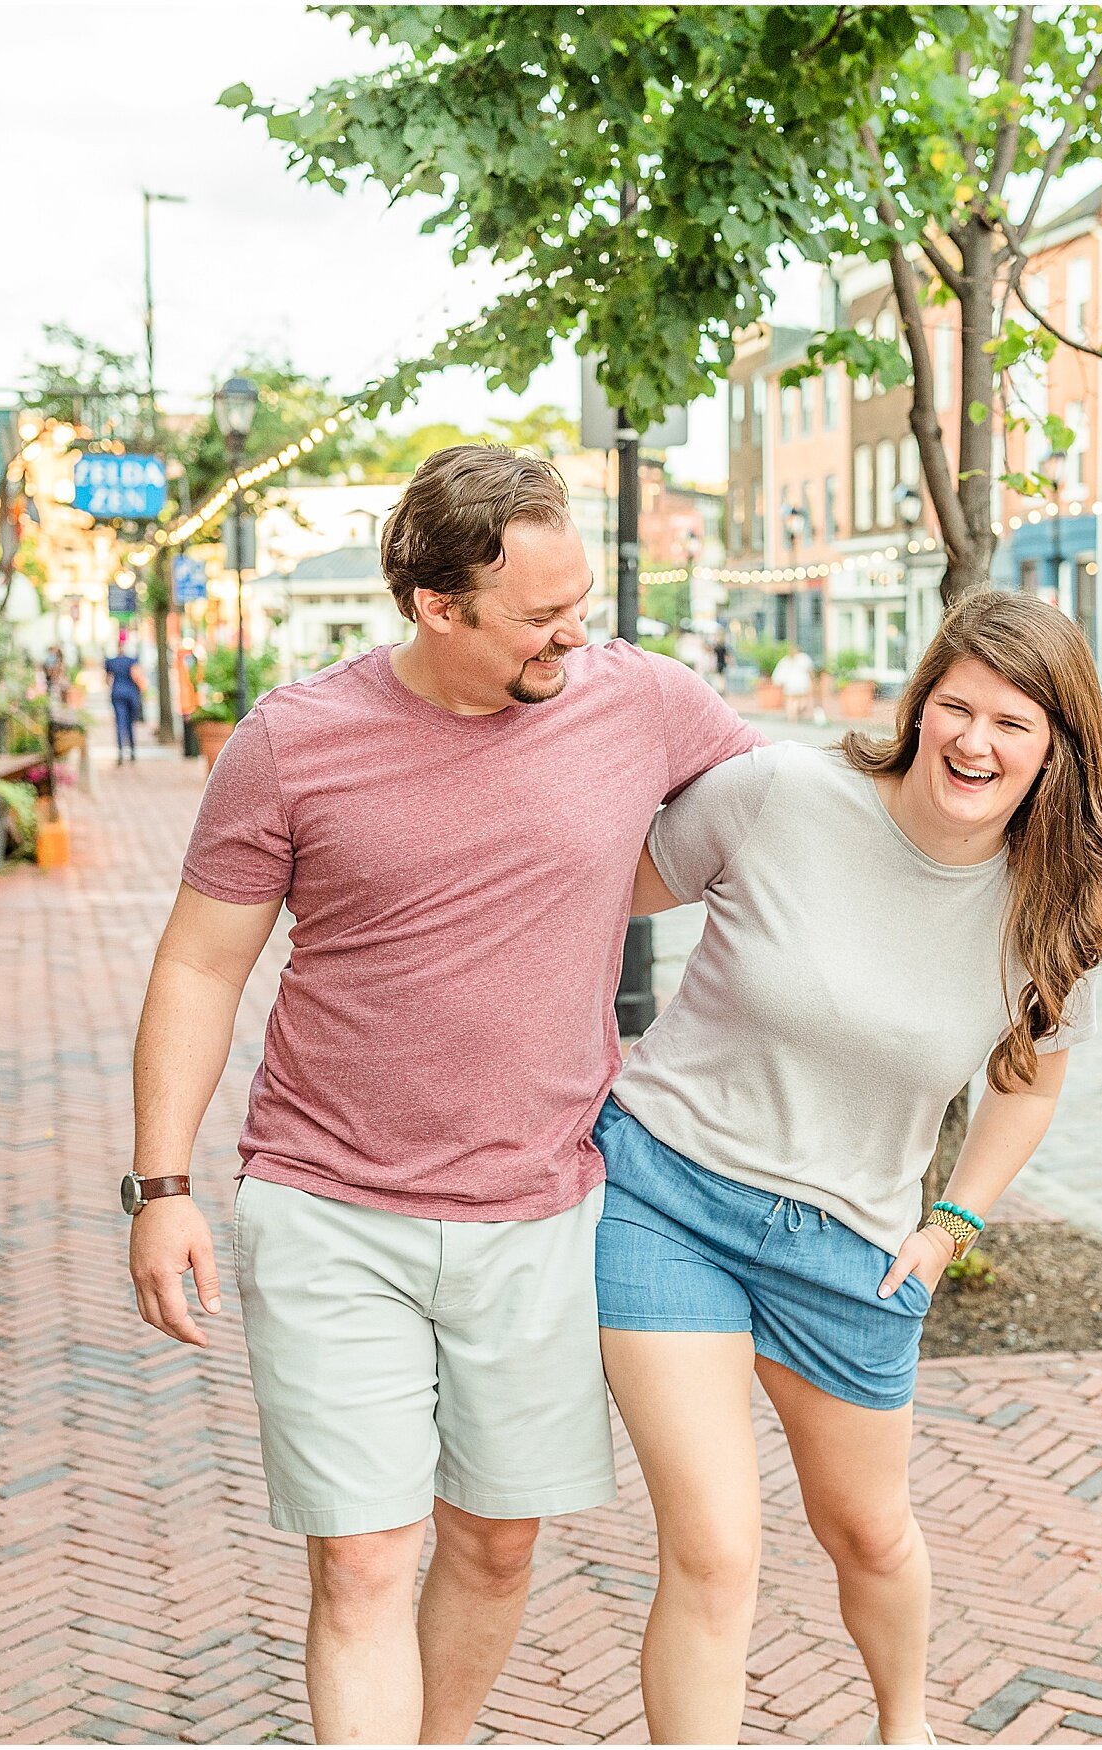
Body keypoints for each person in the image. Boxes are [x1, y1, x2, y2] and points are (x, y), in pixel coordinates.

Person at [125, 446, 759, 1745]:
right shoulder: (294, 743)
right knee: (362, 1561)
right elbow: (197, 964)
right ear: (437, 605)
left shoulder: (635, 698)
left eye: (581, 602)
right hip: (328, 1205)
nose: (573, 636)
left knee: (495, 1544)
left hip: (540, 1210)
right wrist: (159, 1184)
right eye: (539, 615)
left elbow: (781, 818)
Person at [598, 592, 1102, 1746]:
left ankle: (906, 1726)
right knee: (714, 1547)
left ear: (1057, 750)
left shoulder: (1050, 903)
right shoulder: (780, 796)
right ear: (919, 702)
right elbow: (580, 902)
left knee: (871, 1534)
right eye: (956, 706)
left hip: (852, 1248)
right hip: (665, 1196)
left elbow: (1027, 1085)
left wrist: (952, 1225)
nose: (974, 742)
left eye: (1013, 724)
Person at [104, 635, 145, 764]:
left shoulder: (111, 661)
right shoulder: (131, 660)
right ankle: (132, 750)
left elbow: (107, 680)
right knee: (130, 723)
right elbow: (137, 677)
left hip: (117, 693)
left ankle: (121, 751)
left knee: (120, 722)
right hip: (131, 693)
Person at [773, 644, 817, 722]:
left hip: (794, 684)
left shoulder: (787, 660)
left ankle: (793, 717)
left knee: (793, 700)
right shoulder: (801, 658)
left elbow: (778, 675)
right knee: (798, 700)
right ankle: (794, 715)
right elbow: (811, 671)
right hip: (799, 684)